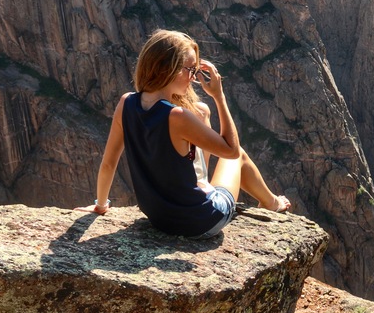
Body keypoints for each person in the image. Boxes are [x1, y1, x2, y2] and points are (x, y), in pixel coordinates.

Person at [76, 29, 291, 238]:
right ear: (169, 69)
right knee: (239, 157)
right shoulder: (177, 116)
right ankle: (271, 203)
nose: (193, 77)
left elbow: (108, 164)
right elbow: (231, 151)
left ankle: (222, 190)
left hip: (159, 219)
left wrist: (101, 206)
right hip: (203, 221)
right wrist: (219, 96)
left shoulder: (126, 103)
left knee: (201, 113)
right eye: (190, 70)